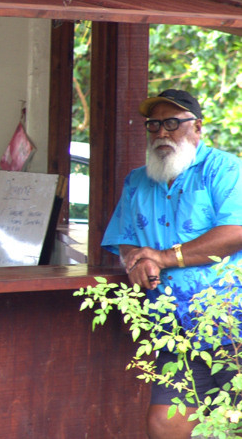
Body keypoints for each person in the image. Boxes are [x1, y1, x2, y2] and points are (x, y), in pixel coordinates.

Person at [102, 89, 242, 439]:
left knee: (232, 422)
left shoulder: (225, 169)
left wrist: (164, 257)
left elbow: (235, 231)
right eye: (154, 125)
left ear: (197, 127)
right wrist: (134, 260)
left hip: (230, 320)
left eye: (172, 123)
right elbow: (125, 236)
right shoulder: (137, 180)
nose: (161, 133)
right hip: (173, 328)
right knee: (165, 424)